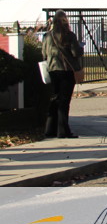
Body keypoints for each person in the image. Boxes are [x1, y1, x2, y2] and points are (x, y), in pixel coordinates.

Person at [41, 10, 84, 139]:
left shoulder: (47, 36)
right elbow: (76, 53)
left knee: (55, 99)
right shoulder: (69, 35)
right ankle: (63, 131)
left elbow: (44, 54)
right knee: (64, 102)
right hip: (66, 71)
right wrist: (80, 48)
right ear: (66, 21)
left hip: (52, 70)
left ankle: (49, 129)